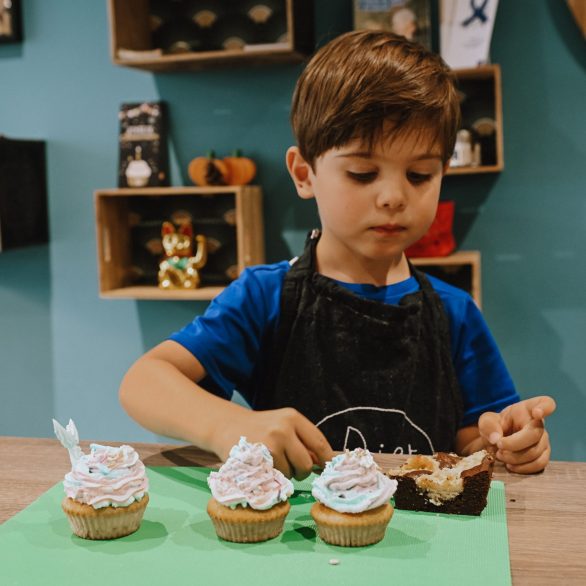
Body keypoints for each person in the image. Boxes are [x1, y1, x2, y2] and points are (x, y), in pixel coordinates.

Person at [119, 30, 555, 480]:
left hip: (423, 543)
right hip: (299, 540)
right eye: (363, 173)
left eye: (420, 174)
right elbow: (143, 382)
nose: (392, 196)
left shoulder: (454, 312)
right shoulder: (265, 297)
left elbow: (475, 437)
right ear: (304, 174)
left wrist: (506, 442)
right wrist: (230, 424)